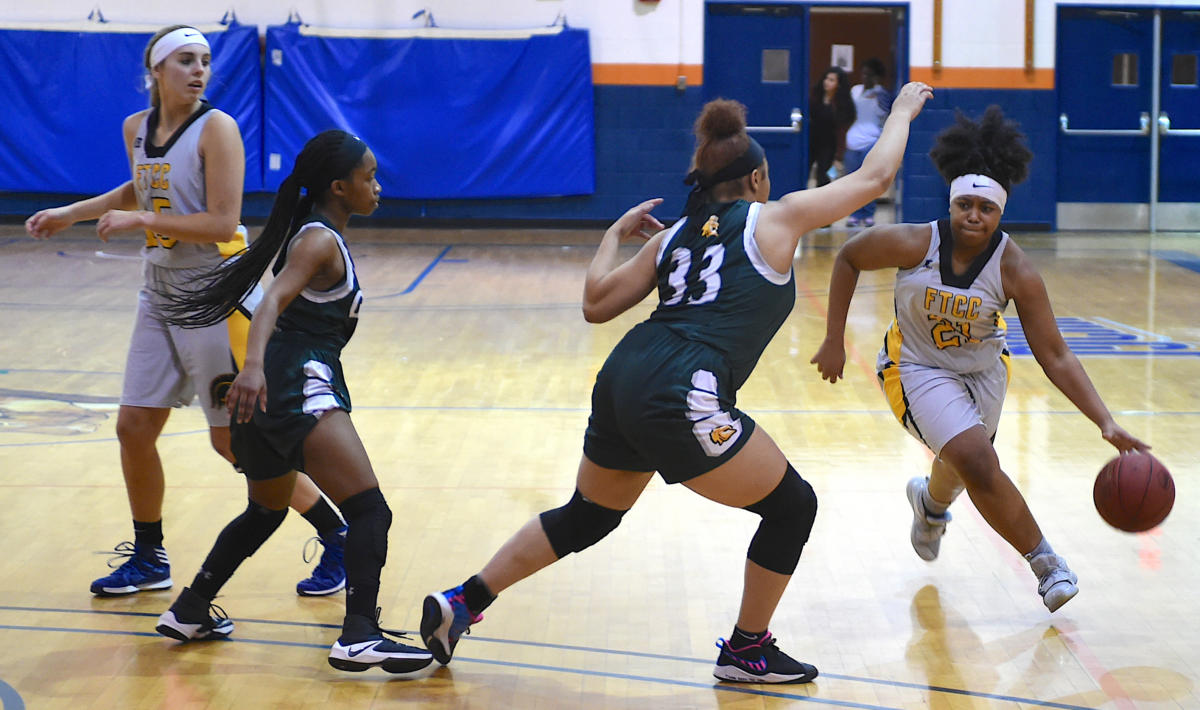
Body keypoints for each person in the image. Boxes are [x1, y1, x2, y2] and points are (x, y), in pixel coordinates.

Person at [419, 82, 934, 684]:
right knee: (793, 507)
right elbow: (874, 180)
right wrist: (899, 110)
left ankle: (463, 603)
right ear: (757, 180)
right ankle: (747, 650)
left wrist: (612, 236)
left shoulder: (669, 239)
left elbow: (595, 305)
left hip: (624, 374)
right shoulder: (775, 219)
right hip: (682, 384)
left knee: (588, 515)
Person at [24, 25, 347, 599]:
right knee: (133, 426)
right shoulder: (136, 128)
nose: (198, 71)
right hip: (160, 289)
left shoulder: (217, 128)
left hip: (217, 292)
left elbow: (223, 222)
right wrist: (71, 212)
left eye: (204, 61)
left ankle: (336, 534)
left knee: (233, 444)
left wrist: (143, 222)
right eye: (184, 61)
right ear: (155, 70)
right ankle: (149, 556)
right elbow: (143, 189)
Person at [810, 106, 1150, 612]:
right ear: (951, 204)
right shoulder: (915, 242)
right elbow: (849, 256)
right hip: (916, 367)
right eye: (964, 204)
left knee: (964, 464)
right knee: (975, 458)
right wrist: (834, 338)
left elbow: (1054, 354)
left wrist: (1105, 422)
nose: (974, 215)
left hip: (985, 372)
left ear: (1000, 213)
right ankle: (1047, 563)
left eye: (985, 208)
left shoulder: (1016, 270)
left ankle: (930, 505)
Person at [151, 129, 433, 674]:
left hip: (268, 390)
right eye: (368, 177)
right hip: (294, 381)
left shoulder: (315, 235)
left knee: (266, 510)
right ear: (339, 187)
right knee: (370, 510)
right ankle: (359, 635)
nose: (378, 185)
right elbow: (274, 299)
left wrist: (254, 375)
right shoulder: (318, 240)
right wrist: (252, 368)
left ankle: (189, 609)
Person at [843, 58, 893, 228]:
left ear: (877, 77)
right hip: (853, 140)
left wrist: (877, 96)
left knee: (870, 180)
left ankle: (869, 214)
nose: (866, 77)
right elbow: (849, 112)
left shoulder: (882, 94)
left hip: (872, 141)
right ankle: (854, 214)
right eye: (864, 73)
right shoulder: (855, 91)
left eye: (870, 75)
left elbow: (885, 113)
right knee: (853, 181)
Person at [807, 66, 855, 188]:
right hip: (811, 141)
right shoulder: (815, 97)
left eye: (831, 80)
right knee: (803, 170)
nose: (826, 82)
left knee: (824, 176)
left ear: (839, 84)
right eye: (826, 78)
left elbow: (842, 129)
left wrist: (839, 155)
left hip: (829, 145)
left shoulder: (843, 104)